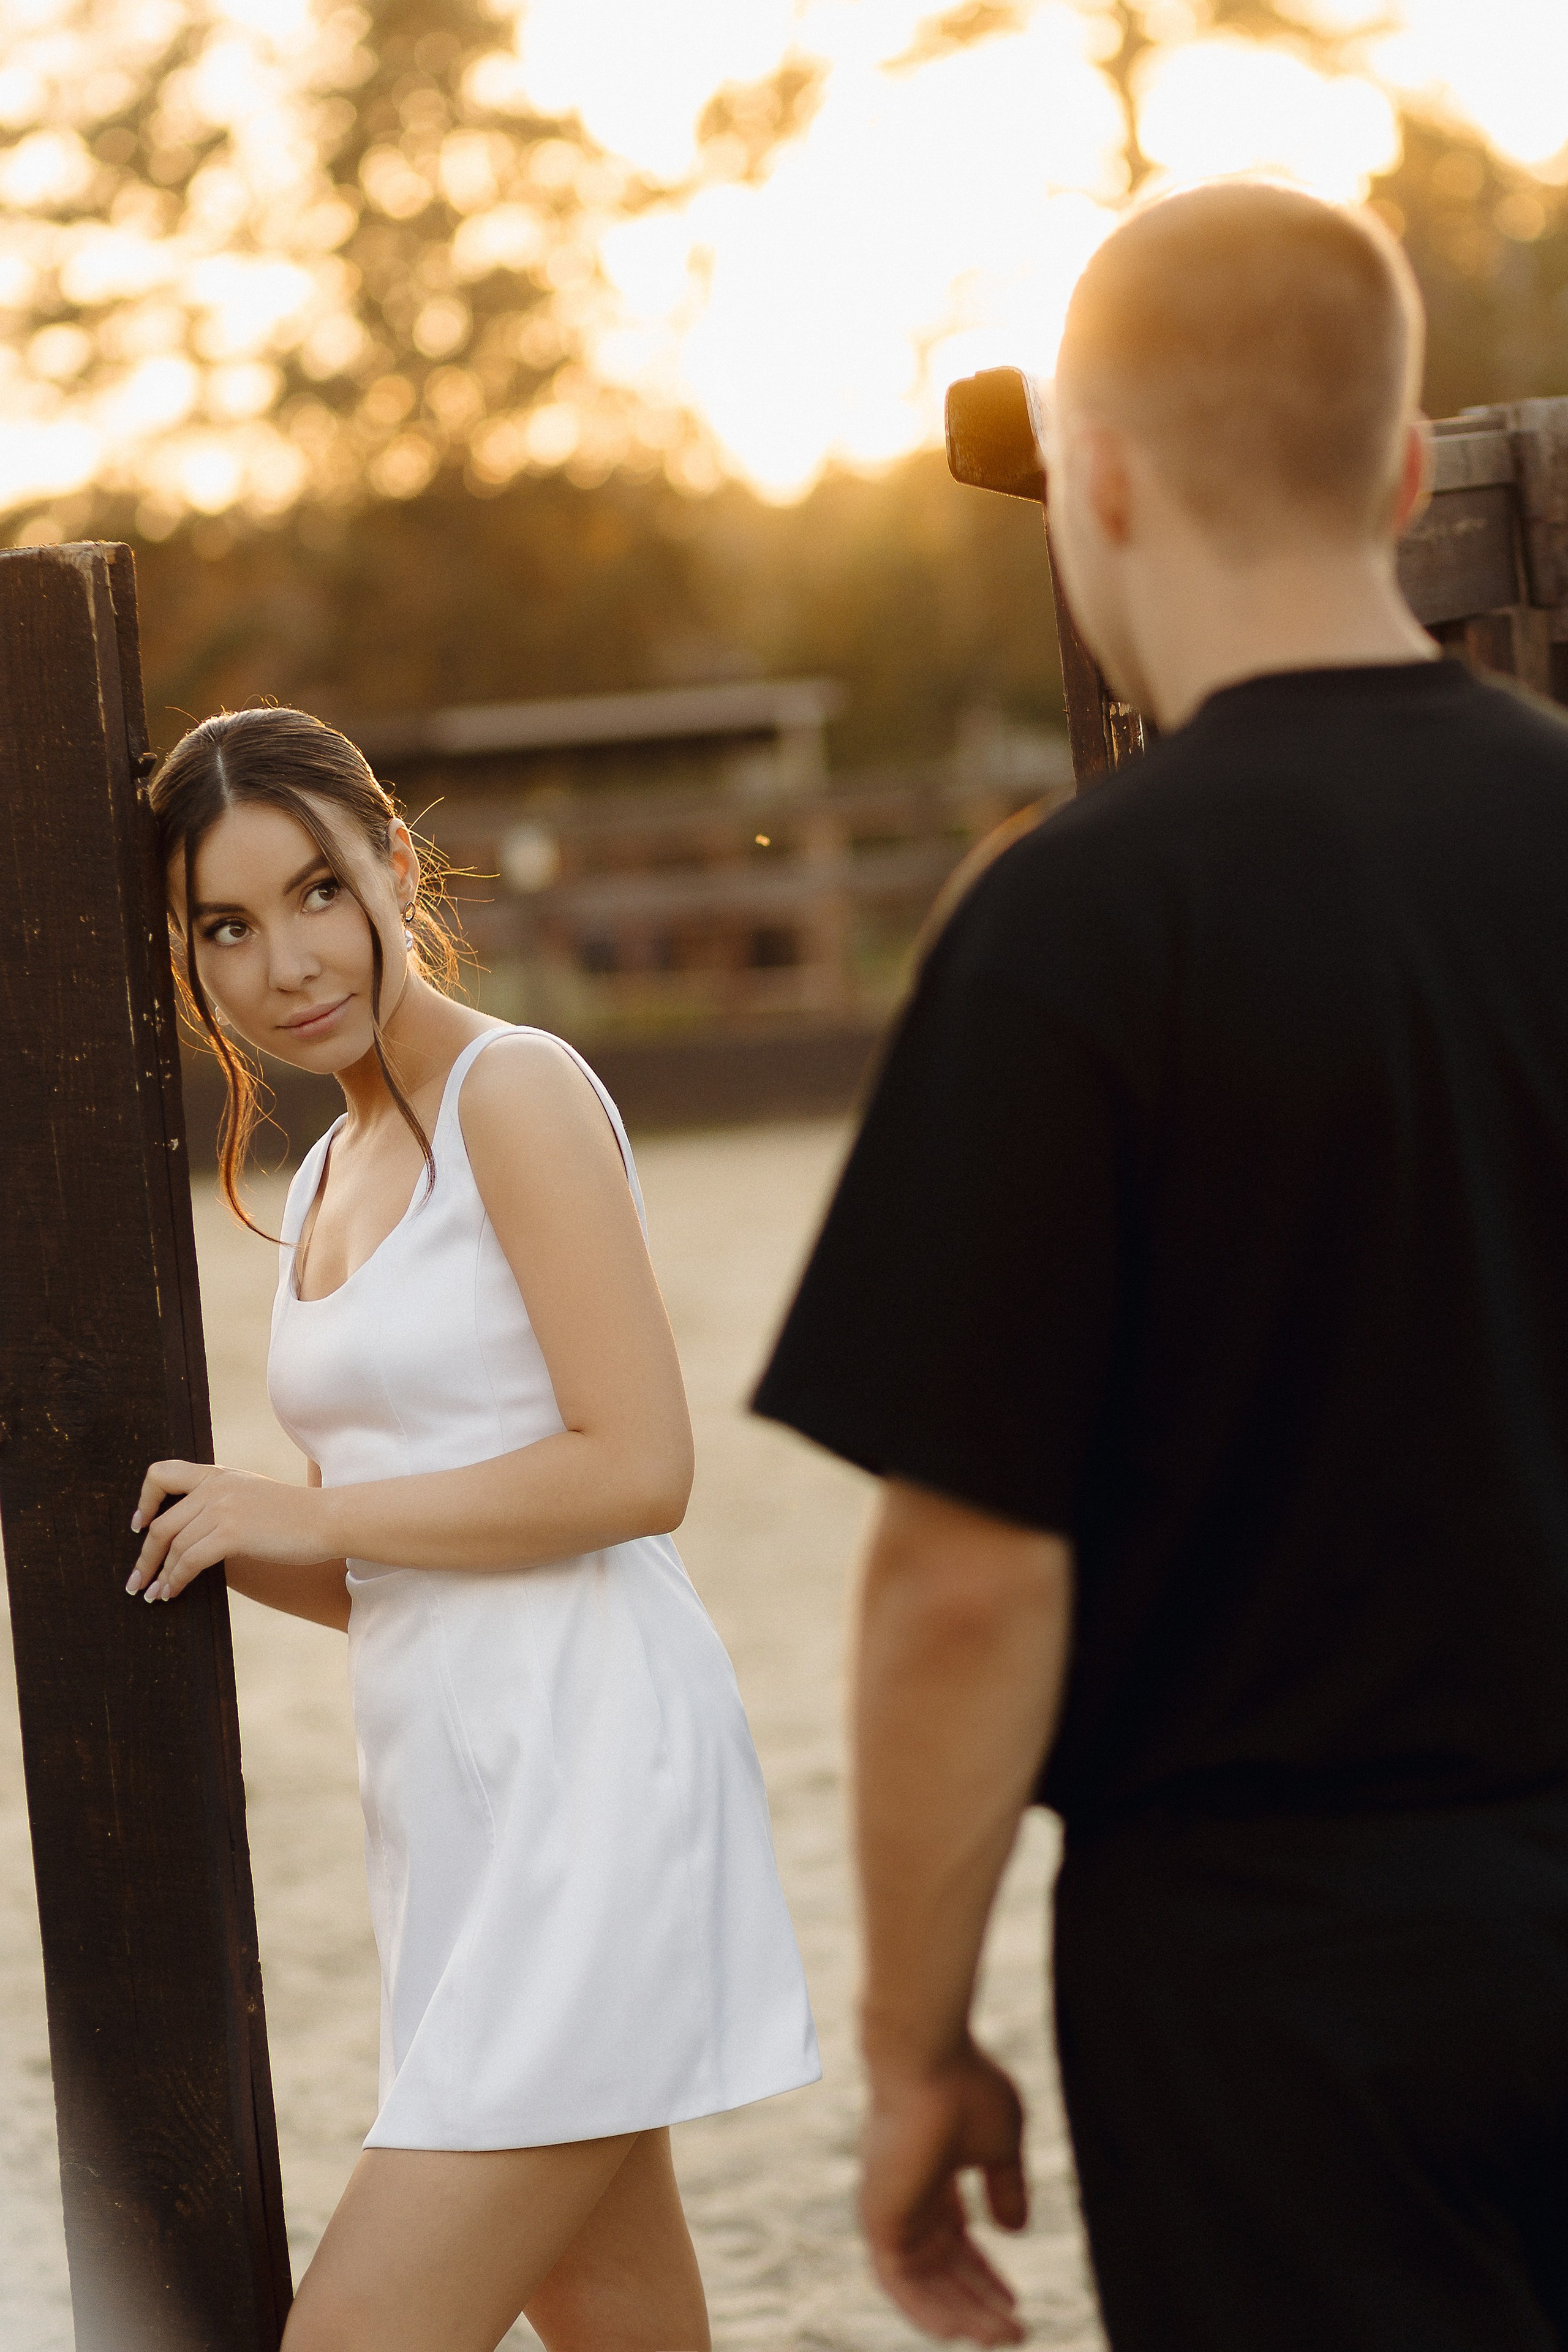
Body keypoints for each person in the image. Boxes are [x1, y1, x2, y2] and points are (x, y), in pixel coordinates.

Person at [754, 179, 1568, 2351]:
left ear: (1087, 479)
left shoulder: (1067, 933)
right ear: (1404, 471)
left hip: (1268, 1983)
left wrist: (918, 2042)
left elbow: (964, 1580)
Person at [130, 707, 820, 2352]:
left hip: (592, 1764)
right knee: (613, 2316)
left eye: (314, 890)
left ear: (394, 862)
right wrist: (206, 1537)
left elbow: (637, 1467)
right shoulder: (325, 1177)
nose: (284, 959)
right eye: (225, 925)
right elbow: (393, 1575)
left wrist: (301, 1505)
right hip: (450, 1796)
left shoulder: (515, 1093)